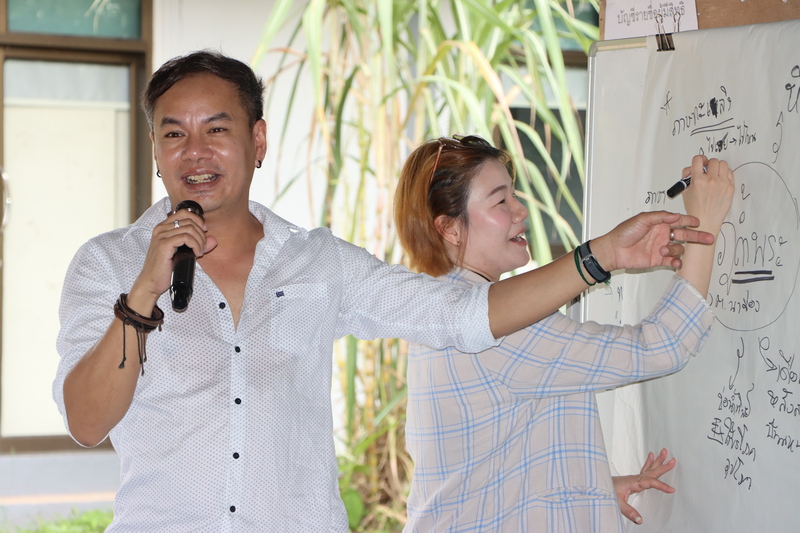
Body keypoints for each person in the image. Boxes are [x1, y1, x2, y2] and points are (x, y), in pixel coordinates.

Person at [53, 51, 721, 533]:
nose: (194, 151)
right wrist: (144, 290)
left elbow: (461, 316)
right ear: (155, 149)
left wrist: (601, 256)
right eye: (173, 133)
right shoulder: (108, 264)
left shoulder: (317, 261)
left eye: (216, 129)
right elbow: (86, 421)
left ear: (257, 142)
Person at [393, 135, 734, 531]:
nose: (521, 210)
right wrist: (704, 224)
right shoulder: (496, 326)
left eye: (514, 194)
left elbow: (485, 451)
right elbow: (662, 346)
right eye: (500, 201)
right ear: (450, 228)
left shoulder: (443, 309)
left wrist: (588, 486)